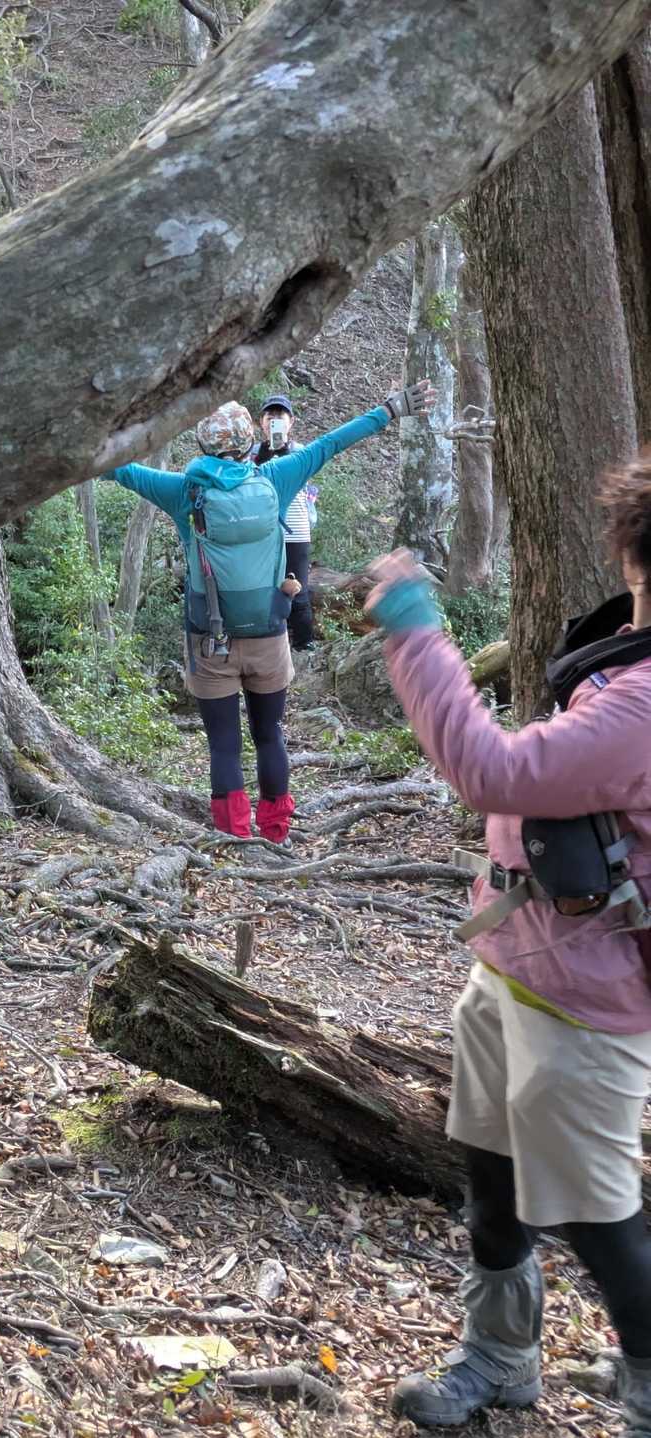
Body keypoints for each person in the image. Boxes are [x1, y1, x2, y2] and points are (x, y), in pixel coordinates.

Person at [363, 455, 651, 1436]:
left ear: (629, 551)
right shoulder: (623, 658)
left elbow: (491, 770)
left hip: (590, 1003)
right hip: (515, 967)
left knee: (598, 1217)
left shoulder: (644, 702)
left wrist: (414, 628)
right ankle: (499, 1357)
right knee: (490, 1180)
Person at [102, 381, 433, 842]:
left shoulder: (183, 492)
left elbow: (117, 469)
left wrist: (71, 444)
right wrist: (391, 410)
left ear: (202, 444)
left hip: (210, 640)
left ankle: (235, 839)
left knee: (224, 746)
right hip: (270, 637)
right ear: (248, 442)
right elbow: (331, 443)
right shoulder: (276, 478)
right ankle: (275, 833)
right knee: (270, 735)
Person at [253, 393, 316, 650]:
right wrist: (262, 457)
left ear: (291, 422)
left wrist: (284, 454)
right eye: (270, 416)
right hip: (263, 532)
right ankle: (269, 643)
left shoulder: (301, 452)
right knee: (264, 588)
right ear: (261, 422)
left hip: (296, 531)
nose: (274, 420)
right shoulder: (251, 454)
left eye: (280, 416)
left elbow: (304, 480)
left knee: (298, 591)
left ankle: (304, 645)